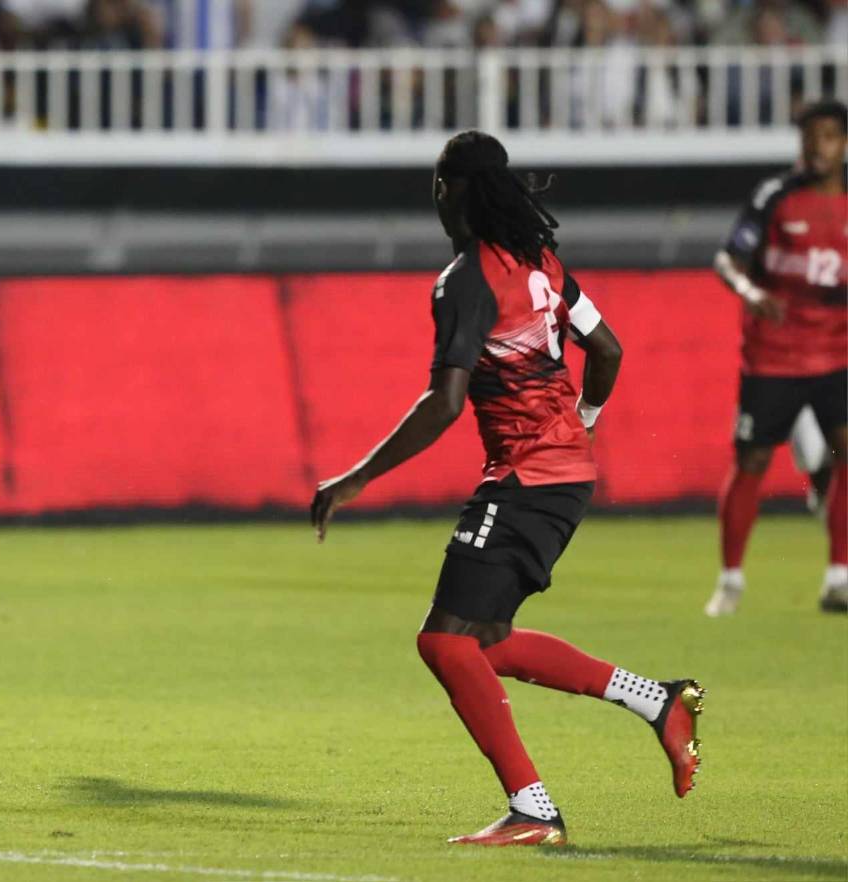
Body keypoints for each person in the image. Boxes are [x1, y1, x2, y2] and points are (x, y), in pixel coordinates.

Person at [310, 130, 703, 846]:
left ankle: (533, 809)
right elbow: (607, 349)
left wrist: (355, 478)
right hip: (563, 475)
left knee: (442, 643)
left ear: (450, 191)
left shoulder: (463, 280)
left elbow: (445, 402)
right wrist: (584, 419)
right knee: (483, 641)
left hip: (525, 478)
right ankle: (658, 701)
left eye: (438, 183)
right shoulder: (541, 262)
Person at [705, 99, 847, 616]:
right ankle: (731, 580)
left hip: (837, 355)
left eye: (829, 136)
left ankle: (840, 575)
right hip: (774, 357)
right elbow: (727, 257)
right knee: (753, 461)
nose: (818, 146)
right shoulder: (775, 196)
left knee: (845, 453)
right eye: (810, 136)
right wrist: (748, 290)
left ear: (844, 143)